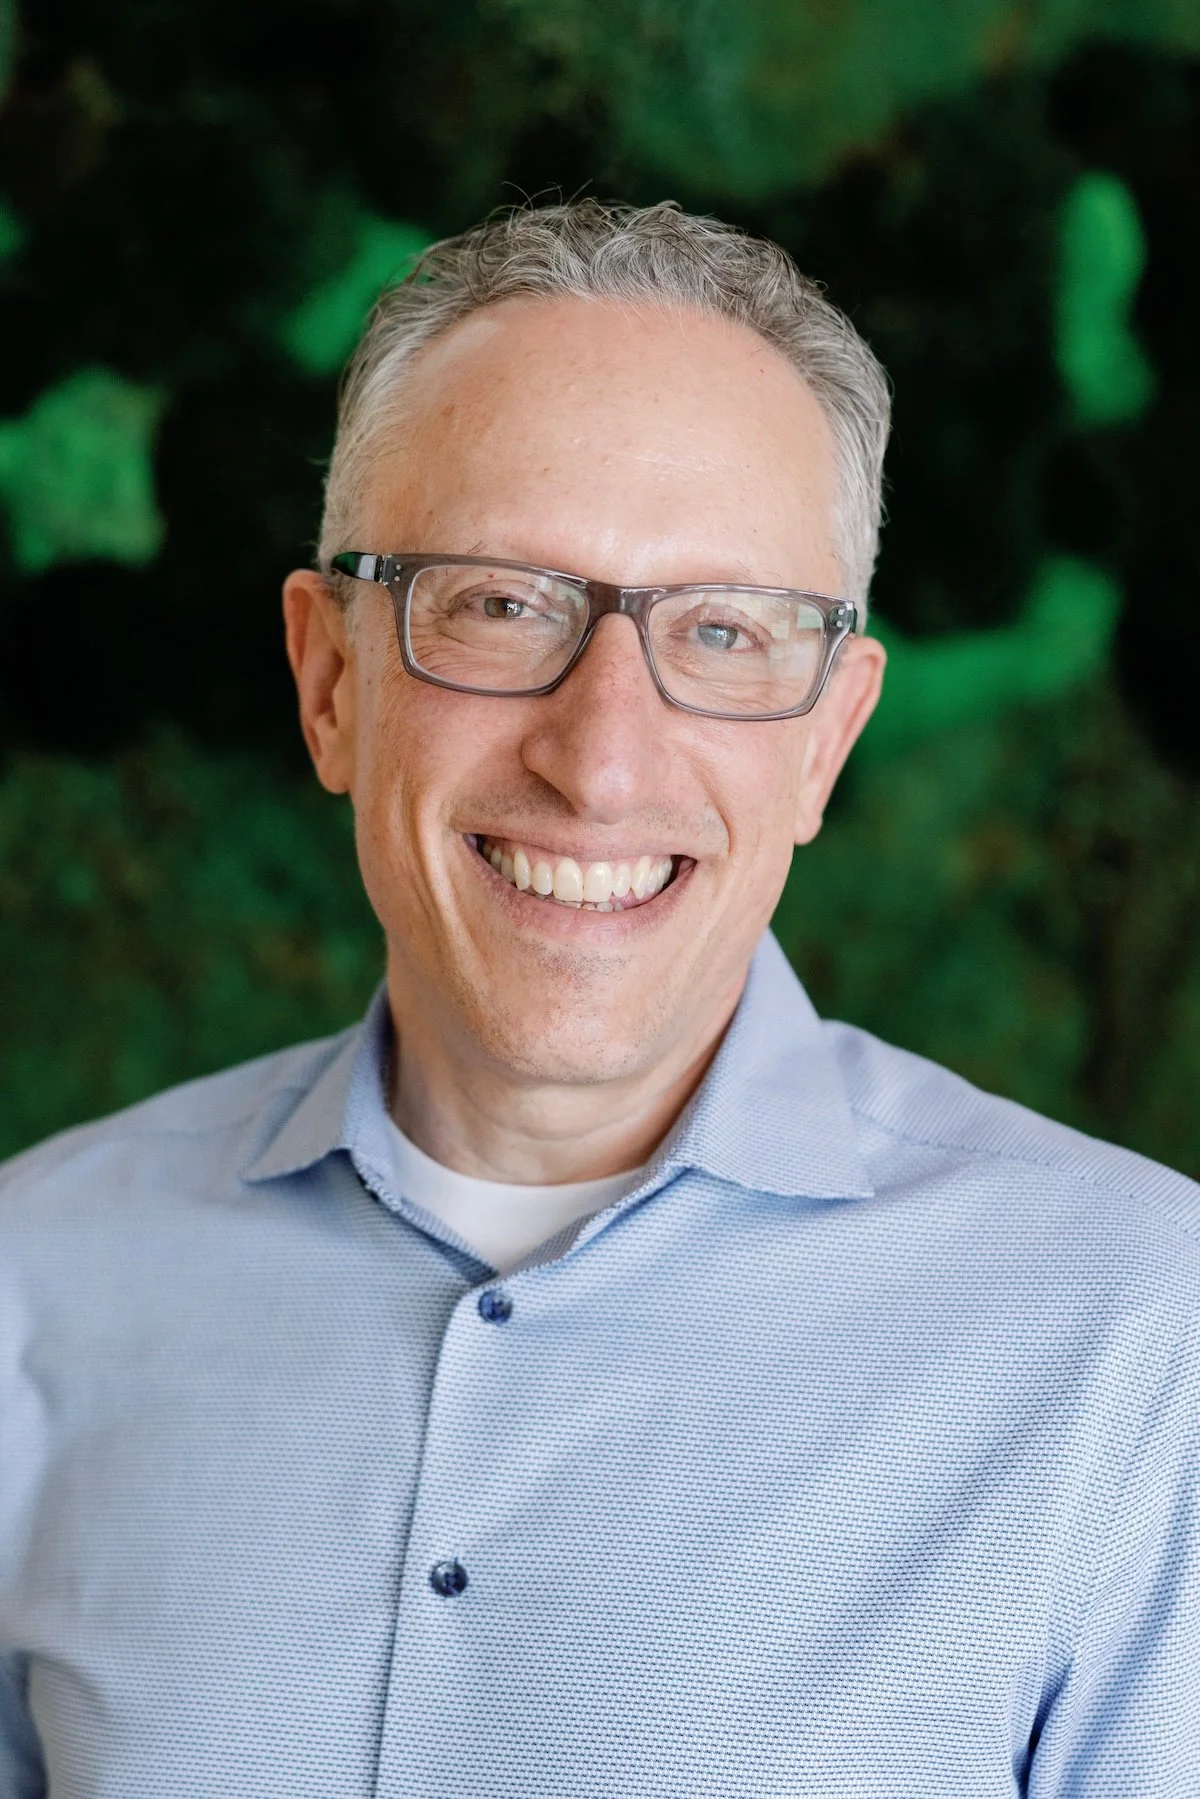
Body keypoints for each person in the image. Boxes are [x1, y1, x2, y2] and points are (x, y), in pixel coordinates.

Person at [1, 200, 1197, 1798]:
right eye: (502, 603)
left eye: (722, 632)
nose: (602, 756)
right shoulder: (34, 1281)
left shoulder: (1140, 1336)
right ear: (331, 681)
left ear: (830, 738)